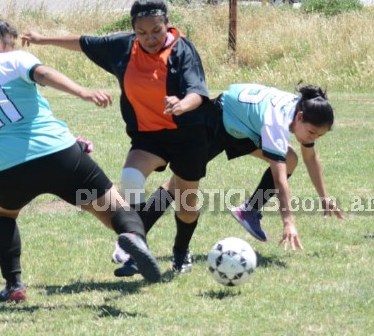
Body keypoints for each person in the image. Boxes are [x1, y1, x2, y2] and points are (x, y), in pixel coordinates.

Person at [0, 9, 163, 303]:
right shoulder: (15, 60)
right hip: (62, 157)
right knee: (115, 207)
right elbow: (44, 74)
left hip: (11, 172)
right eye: (10, 41)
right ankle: (131, 238)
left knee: (2, 214)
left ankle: (14, 285)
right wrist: (82, 92)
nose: (13, 47)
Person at [22, 0, 212, 274]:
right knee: (131, 178)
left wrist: (182, 105)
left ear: (167, 24)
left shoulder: (182, 51)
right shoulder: (124, 47)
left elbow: (197, 92)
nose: (150, 38)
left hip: (188, 134)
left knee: (186, 204)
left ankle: (180, 250)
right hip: (149, 136)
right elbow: (84, 42)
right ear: (134, 30)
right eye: (142, 33)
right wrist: (41, 39)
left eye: (156, 31)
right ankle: (137, 247)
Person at [112, 83, 344, 277]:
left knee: (291, 158)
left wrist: (324, 197)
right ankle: (132, 238)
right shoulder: (278, 122)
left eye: (319, 135)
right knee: (179, 185)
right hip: (218, 120)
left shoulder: (301, 111)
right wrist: (288, 221)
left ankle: (249, 211)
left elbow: (310, 157)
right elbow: (279, 177)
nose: (312, 139)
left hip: (243, 125)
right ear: (300, 117)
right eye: (312, 133)